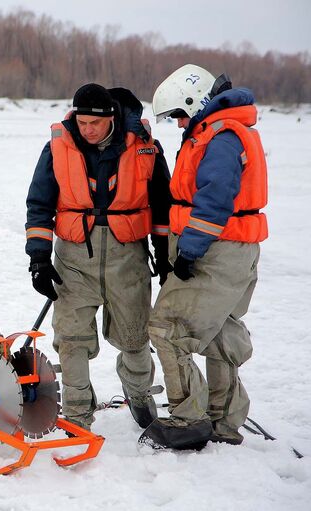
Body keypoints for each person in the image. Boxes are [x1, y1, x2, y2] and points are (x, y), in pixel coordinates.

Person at [25, 83, 172, 432]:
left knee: (135, 337)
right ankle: (77, 412)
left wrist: (164, 256)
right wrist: (39, 259)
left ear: (112, 118)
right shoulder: (57, 148)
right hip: (74, 260)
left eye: (95, 123)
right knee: (71, 339)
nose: (87, 129)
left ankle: (139, 396)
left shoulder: (146, 148)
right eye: (83, 121)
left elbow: (164, 206)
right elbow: (39, 204)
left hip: (128, 259)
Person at [139, 65, 268, 450]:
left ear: (196, 104)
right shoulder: (224, 130)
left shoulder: (221, 138)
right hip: (235, 249)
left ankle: (188, 420)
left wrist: (189, 251)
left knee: (166, 328)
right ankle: (224, 422)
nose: (179, 124)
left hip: (215, 250)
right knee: (219, 331)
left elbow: (214, 202)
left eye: (180, 115)